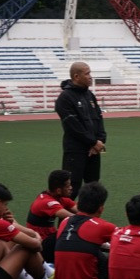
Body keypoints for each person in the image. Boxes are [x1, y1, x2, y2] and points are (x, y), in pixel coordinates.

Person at [54, 182, 117, 279]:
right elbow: (129, 238)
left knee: (91, 249)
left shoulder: (64, 222)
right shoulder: (102, 226)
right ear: (101, 208)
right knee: (120, 250)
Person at [55, 61, 106, 198]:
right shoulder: (64, 98)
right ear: (76, 77)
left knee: (93, 189)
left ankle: (90, 219)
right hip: (75, 151)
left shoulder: (90, 95)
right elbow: (73, 126)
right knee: (71, 189)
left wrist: (100, 140)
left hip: (94, 150)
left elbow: (99, 119)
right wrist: (93, 142)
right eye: (87, 73)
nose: (91, 76)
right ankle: (66, 220)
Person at [25, 170, 76, 266]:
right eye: (68, 186)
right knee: (71, 233)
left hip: (49, 240)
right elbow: (73, 217)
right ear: (58, 190)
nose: (71, 188)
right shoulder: (46, 202)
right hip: (41, 246)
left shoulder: (59, 198)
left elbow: (81, 210)